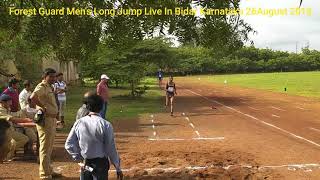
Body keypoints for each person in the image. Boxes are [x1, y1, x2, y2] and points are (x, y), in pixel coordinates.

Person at [65, 94, 123, 180]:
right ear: (101, 107)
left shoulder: (79, 122)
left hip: (85, 163)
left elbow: (69, 144)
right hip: (100, 164)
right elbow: (111, 149)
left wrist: (79, 158)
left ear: (88, 107)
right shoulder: (106, 125)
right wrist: (118, 168)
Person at [30, 68, 61, 179]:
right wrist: (43, 107)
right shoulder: (41, 86)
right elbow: (32, 97)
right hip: (45, 120)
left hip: (51, 120)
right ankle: (44, 174)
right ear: (45, 76)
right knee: (45, 147)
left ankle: (48, 170)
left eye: (54, 76)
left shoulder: (49, 87)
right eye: (51, 76)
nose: (53, 78)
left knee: (49, 147)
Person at [0, 94, 34, 161]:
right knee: (11, 143)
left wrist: (22, 115)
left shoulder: (6, 108)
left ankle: (8, 155)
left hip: (9, 131)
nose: (10, 104)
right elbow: (12, 119)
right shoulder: (1, 110)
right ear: (3, 102)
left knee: (24, 139)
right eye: (9, 102)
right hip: (3, 133)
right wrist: (25, 120)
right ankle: (6, 155)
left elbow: (13, 115)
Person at [19, 80, 37, 153]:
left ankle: (37, 146)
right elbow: (24, 119)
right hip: (28, 125)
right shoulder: (22, 94)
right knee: (32, 134)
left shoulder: (30, 93)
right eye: (31, 85)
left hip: (34, 124)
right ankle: (33, 145)